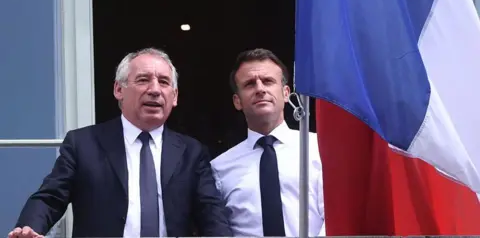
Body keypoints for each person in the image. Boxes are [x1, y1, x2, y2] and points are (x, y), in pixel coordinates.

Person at [9, 48, 232, 238]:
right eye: (143, 80)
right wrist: (29, 228)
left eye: (163, 82)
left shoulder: (191, 152)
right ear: (118, 90)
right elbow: (50, 198)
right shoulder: (83, 144)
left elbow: (210, 211)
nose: (154, 90)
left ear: (174, 97)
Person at [210, 48, 325, 236]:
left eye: (268, 81)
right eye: (249, 84)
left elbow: (335, 216)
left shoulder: (318, 148)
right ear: (237, 101)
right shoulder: (219, 168)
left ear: (286, 93)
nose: (260, 89)